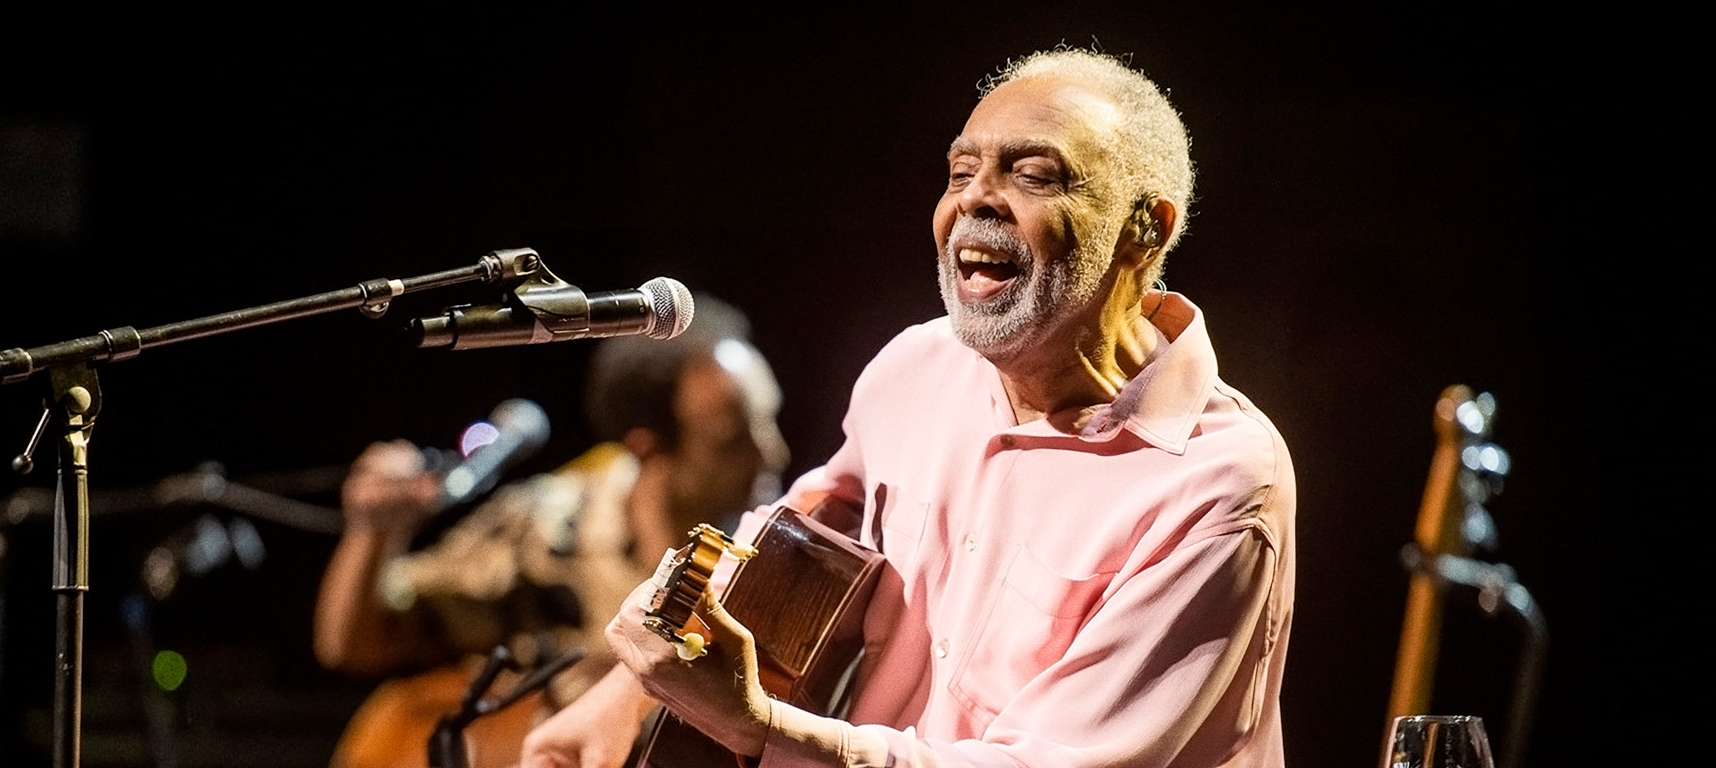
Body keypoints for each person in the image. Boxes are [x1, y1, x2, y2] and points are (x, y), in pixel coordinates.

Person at [520, 48, 1297, 768]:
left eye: (1033, 174)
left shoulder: (1218, 479)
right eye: (960, 173)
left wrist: (756, 725)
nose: (977, 201)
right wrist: (626, 693)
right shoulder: (918, 367)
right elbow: (800, 544)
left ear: (1144, 229)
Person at [313, 295, 790, 754]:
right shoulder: (547, 526)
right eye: (731, 442)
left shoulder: (782, 554)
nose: (775, 454)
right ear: (647, 447)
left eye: (769, 420)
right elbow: (356, 646)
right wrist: (374, 533)